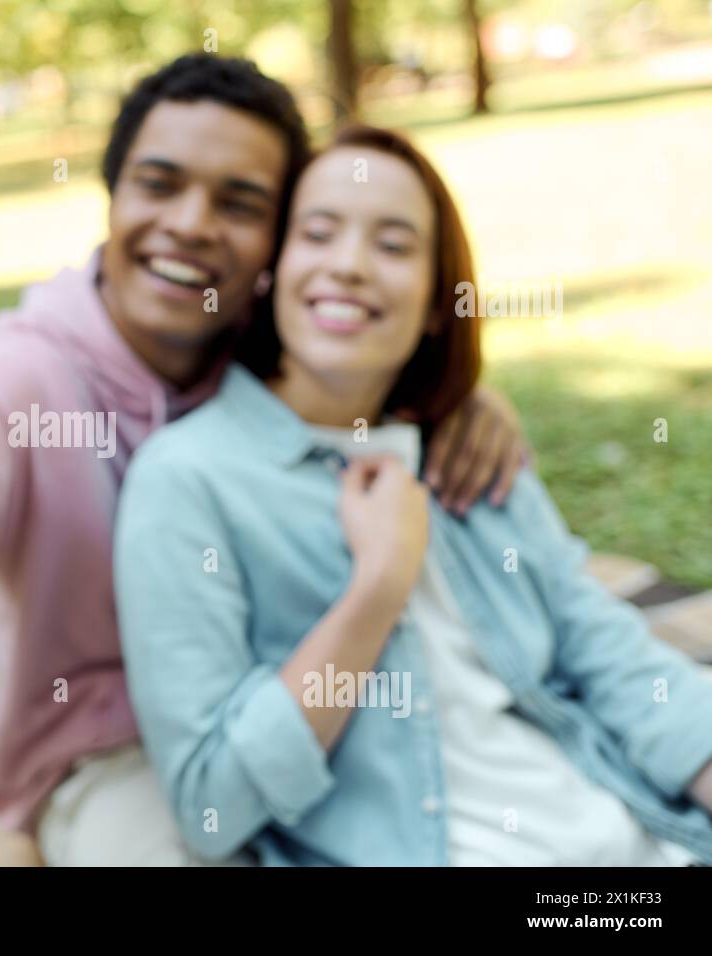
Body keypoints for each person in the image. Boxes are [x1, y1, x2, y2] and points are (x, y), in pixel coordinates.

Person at [0, 55, 527, 865]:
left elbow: (375, 370)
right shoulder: (14, 377)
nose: (192, 222)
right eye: (160, 184)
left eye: (239, 203)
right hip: (109, 755)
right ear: (114, 194)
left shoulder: (274, 356)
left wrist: (452, 399)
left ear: (277, 241)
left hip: (291, 711)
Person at [114, 124, 712, 866]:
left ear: (436, 300)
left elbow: (606, 649)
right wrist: (379, 585)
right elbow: (211, 805)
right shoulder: (188, 481)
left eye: (394, 246)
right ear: (272, 272)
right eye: (318, 233)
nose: (350, 266)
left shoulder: (467, 447)